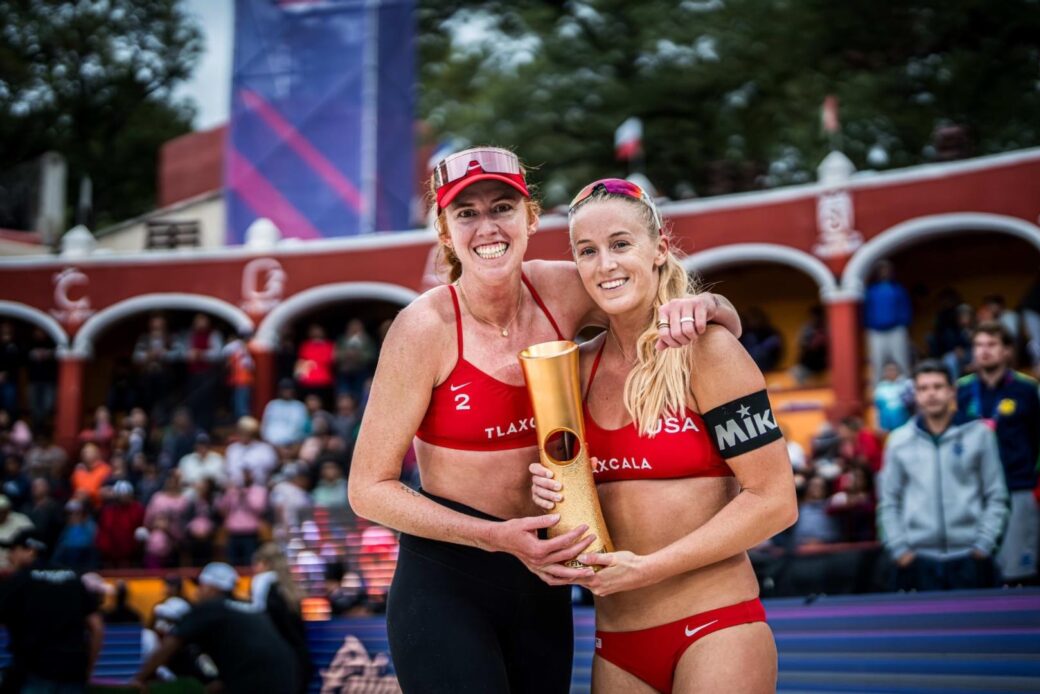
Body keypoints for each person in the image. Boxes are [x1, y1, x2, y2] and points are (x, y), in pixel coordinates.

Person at [347, 148, 740, 693]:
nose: (488, 227)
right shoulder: (425, 328)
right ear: (444, 232)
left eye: (502, 207)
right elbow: (367, 489)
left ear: (530, 217)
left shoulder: (564, 288)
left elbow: (659, 292)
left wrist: (715, 311)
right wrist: (494, 537)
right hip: (449, 578)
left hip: (544, 575)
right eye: (466, 214)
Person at [529, 177, 797, 693]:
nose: (605, 264)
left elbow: (776, 501)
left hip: (716, 626)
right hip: (618, 644)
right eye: (587, 251)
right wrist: (548, 504)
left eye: (621, 244)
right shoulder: (573, 371)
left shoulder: (707, 352)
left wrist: (650, 569)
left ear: (659, 250)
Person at [879, 360, 1009, 591]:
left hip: (970, 556)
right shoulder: (899, 441)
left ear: (951, 391)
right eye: (923, 388)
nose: (931, 394)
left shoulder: (979, 435)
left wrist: (983, 545)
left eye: (938, 387)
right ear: (916, 395)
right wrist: (900, 550)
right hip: (918, 559)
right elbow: (889, 501)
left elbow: (996, 494)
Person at [956, 321, 1040, 584]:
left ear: (1007, 350)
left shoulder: (1027, 388)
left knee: (1019, 572)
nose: (984, 351)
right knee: (978, 574)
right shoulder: (961, 389)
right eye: (979, 345)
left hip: (1016, 487)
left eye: (992, 345)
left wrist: (1028, 475)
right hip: (974, 493)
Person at [131, 562, 298, 692]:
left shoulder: (212, 608)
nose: (198, 592)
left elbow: (172, 642)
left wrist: (139, 680)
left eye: (201, 586)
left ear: (212, 588)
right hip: (288, 677)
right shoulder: (247, 608)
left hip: (257, 682)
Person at [0, 529, 105, 692]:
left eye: (13, 550)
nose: (9, 556)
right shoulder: (74, 578)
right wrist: (88, 670)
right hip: (74, 673)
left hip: (34, 672)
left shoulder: (19, 581)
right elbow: (97, 627)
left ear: (30, 550)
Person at [251, 543, 313, 692]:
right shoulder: (288, 588)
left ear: (264, 563)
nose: (253, 569)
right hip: (299, 660)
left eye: (255, 564)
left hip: (279, 664)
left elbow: (257, 617)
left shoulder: (262, 583)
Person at [863, 260, 912, 382]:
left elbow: (905, 308)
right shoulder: (871, 290)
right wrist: (869, 325)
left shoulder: (898, 289)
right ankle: (878, 392)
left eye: (886, 269)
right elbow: (866, 310)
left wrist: (903, 323)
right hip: (876, 332)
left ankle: (906, 389)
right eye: (881, 270)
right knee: (877, 363)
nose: (884, 272)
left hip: (896, 329)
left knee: (901, 361)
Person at [873, 361, 912, 432]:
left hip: (904, 424)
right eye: (888, 370)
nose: (891, 372)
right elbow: (877, 409)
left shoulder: (906, 385)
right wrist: (878, 426)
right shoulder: (880, 388)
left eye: (893, 370)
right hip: (886, 425)